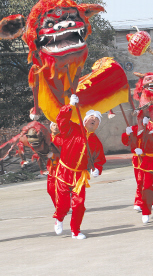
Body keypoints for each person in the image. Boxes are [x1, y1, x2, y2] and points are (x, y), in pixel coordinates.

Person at [52, 95, 106, 240]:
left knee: (79, 205)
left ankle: (75, 231)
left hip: (79, 176)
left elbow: (100, 159)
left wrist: (97, 169)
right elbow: (61, 120)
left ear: (98, 126)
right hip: (64, 171)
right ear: (85, 120)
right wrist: (69, 106)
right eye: (91, 118)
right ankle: (59, 218)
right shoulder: (72, 129)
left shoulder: (96, 142)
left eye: (97, 120)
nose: (94, 120)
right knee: (63, 203)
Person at [121, 123, 144, 212]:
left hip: (147, 157)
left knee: (146, 181)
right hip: (136, 159)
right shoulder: (133, 128)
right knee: (139, 181)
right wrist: (126, 134)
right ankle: (142, 201)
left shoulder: (150, 127)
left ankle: (143, 201)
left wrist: (144, 150)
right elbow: (125, 142)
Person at [47, 122, 61, 208]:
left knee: (62, 188)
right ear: (51, 127)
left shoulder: (64, 138)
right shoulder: (46, 138)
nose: (56, 127)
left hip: (62, 166)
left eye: (57, 125)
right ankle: (58, 206)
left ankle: (63, 206)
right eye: (54, 125)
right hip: (51, 167)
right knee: (51, 189)